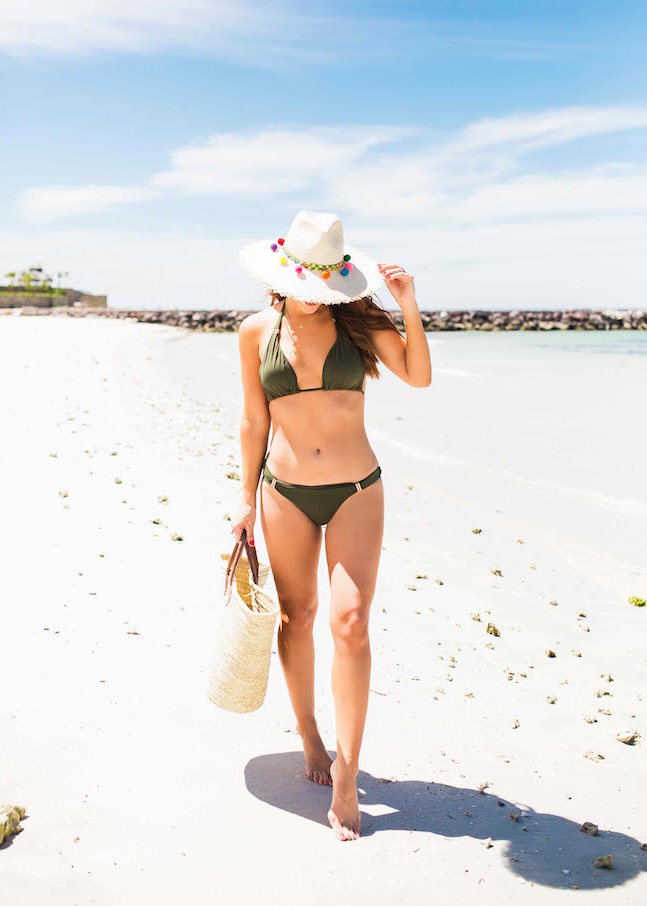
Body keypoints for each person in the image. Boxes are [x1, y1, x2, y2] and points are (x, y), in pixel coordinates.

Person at [233, 209, 431, 841]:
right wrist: (242, 501)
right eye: (304, 280)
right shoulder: (255, 331)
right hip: (282, 493)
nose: (312, 295)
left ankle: (348, 770)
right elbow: (253, 423)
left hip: (355, 490)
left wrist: (407, 305)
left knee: (350, 624)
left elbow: (419, 375)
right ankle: (310, 737)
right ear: (285, 273)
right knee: (297, 616)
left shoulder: (363, 321)